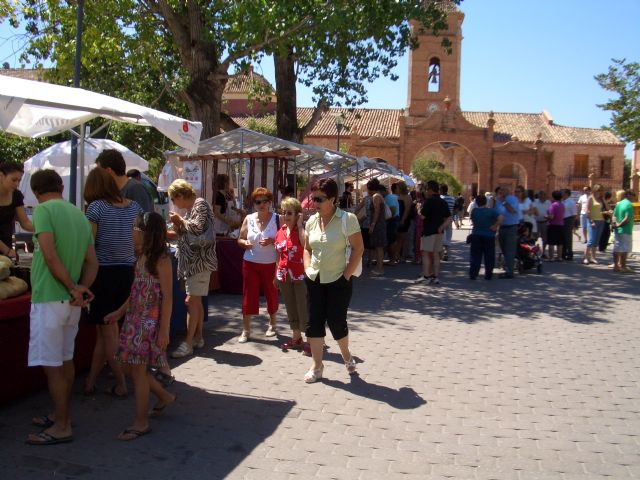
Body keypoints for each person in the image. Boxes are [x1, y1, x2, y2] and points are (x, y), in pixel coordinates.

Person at [25, 169, 98, 445]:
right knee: (65, 361)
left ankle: (62, 424)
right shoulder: (79, 215)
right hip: (71, 301)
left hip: (51, 298)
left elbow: (49, 254)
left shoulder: (44, 211)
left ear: (36, 192)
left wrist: (72, 287)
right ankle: (60, 415)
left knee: (53, 367)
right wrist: (81, 288)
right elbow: (93, 262)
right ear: (60, 187)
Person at [108, 212, 176, 441]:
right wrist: (120, 311)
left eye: (134, 228)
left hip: (149, 321)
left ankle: (140, 422)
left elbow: (167, 297)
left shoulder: (161, 259)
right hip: (134, 318)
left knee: (137, 370)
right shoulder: (141, 256)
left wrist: (164, 329)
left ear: (145, 232)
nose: (131, 231)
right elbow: (137, 289)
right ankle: (164, 396)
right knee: (129, 365)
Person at [83, 168, 144, 398]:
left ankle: (121, 383)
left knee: (108, 331)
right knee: (106, 330)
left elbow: (89, 244)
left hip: (103, 273)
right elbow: (138, 240)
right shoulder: (134, 207)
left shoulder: (96, 208)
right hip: (127, 272)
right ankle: (90, 382)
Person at [303, 178, 364, 383]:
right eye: (313, 199)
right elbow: (307, 248)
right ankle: (317, 366)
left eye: (319, 199)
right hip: (315, 279)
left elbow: (359, 249)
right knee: (314, 324)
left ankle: (346, 355)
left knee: (337, 323)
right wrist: (307, 267)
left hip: (338, 280)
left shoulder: (347, 219)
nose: (315, 204)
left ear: (332, 199)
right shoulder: (311, 221)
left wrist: (346, 275)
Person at [167, 179, 217, 357]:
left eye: (173, 199)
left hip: (199, 263)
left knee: (191, 302)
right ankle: (198, 337)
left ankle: (188, 343)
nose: (174, 203)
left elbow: (196, 229)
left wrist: (179, 220)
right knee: (196, 302)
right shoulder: (191, 209)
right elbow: (186, 233)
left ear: (180, 195)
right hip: (194, 264)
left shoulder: (200, 204)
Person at [237, 187, 279, 343]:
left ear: (270, 202)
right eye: (257, 201)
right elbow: (240, 239)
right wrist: (244, 243)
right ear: (253, 203)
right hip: (250, 262)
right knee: (249, 295)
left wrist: (272, 241)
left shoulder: (277, 219)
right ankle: (246, 330)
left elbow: (285, 240)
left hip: (270, 263)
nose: (261, 204)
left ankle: (273, 324)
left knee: (271, 294)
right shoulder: (249, 218)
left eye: (265, 201)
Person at [274, 197, 309, 353]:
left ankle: (311, 340)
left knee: (303, 307)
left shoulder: (301, 230)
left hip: (300, 275)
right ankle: (296, 337)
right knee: (290, 306)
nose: (286, 216)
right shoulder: (280, 232)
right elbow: (278, 254)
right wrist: (276, 275)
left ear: (297, 215)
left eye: (289, 213)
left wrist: (300, 225)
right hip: (284, 275)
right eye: (284, 212)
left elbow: (306, 245)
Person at [415, 180, 451, 285]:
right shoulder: (443, 201)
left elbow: (422, 216)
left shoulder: (429, 201)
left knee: (426, 254)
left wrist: (418, 209)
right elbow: (449, 218)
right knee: (436, 255)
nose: (425, 192)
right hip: (439, 232)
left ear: (430, 190)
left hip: (429, 231)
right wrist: (441, 227)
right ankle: (435, 276)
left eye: (426, 189)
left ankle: (426, 276)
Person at [95, 149, 154, 213]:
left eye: (99, 172)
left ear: (109, 171)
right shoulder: (114, 191)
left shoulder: (135, 189)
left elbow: (143, 219)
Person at [0, 161, 33, 258]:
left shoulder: (16, 195)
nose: (17, 184)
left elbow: (25, 222)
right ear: (1, 176)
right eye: (14, 180)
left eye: (19, 180)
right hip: (6, 250)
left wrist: (45, 227)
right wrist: (7, 251)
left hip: (7, 248)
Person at [469, 194, 502, 280]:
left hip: (476, 234)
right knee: (489, 256)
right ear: (486, 202)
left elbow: (472, 220)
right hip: (489, 235)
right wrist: (495, 226)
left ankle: (473, 273)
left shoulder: (474, 211)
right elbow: (501, 218)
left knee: (475, 256)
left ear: (476, 202)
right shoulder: (491, 211)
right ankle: (488, 274)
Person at [495, 186, 519, 279]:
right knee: (504, 249)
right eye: (500, 190)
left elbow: (512, 210)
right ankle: (508, 267)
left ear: (507, 191)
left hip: (511, 227)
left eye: (502, 190)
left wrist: (504, 202)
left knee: (509, 250)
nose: (501, 192)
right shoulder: (497, 200)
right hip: (501, 227)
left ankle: (509, 272)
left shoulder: (513, 199)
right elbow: (495, 212)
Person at [365, 179, 386, 276]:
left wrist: (372, 225)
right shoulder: (378, 195)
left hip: (378, 225)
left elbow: (377, 212)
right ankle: (379, 268)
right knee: (378, 247)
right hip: (379, 224)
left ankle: (379, 269)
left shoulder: (375, 196)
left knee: (378, 247)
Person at [611, 189, 634, 273]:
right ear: (628, 195)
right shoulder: (628, 205)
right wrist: (619, 224)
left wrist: (614, 224)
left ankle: (616, 266)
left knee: (617, 248)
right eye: (633, 195)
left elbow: (614, 216)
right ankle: (623, 266)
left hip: (618, 231)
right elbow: (627, 218)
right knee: (625, 249)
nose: (634, 197)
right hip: (626, 230)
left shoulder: (619, 204)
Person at [583, 184, 605, 265]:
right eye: (599, 190)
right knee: (591, 240)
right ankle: (585, 257)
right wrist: (592, 221)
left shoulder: (602, 199)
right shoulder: (591, 198)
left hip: (601, 221)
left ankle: (593, 257)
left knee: (596, 241)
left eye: (602, 190)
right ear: (595, 190)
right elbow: (587, 211)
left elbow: (607, 208)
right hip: (593, 221)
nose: (601, 192)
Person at [395, 181, 413, 262]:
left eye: (397, 188)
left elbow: (407, 210)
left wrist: (403, 220)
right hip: (399, 219)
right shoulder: (399, 196)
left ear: (401, 188)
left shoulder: (407, 197)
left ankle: (403, 256)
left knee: (403, 239)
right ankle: (398, 255)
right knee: (399, 238)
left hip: (404, 219)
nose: (396, 189)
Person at [546, 190, 565, 262]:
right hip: (561, 224)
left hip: (553, 224)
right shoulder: (562, 205)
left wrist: (546, 217)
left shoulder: (553, 205)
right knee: (559, 242)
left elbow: (551, 216)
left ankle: (551, 257)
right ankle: (559, 257)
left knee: (551, 242)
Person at [384, 183, 401, 265]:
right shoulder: (393, 197)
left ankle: (393, 259)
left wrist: (386, 219)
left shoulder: (388, 197)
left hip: (392, 220)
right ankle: (394, 258)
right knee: (393, 240)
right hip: (395, 219)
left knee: (391, 240)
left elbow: (393, 210)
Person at [439, 184, 456, 261]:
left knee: (442, 236)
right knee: (448, 236)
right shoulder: (452, 198)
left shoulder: (440, 198)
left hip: (442, 220)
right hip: (450, 219)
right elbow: (454, 209)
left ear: (441, 190)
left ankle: (441, 253)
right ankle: (446, 252)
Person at [532, 190, 551, 258]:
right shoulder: (535, 202)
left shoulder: (548, 202)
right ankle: (534, 252)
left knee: (545, 238)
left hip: (545, 222)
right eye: (540, 196)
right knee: (534, 237)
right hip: (536, 222)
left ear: (545, 196)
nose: (542, 197)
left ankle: (543, 252)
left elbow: (550, 211)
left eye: (543, 195)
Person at [561, 189, 576, 261]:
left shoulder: (571, 202)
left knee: (568, 237)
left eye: (563, 193)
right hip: (562, 220)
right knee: (563, 237)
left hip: (568, 220)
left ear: (566, 194)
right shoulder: (562, 201)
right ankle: (563, 253)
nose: (561, 194)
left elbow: (574, 214)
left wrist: (573, 223)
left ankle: (570, 253)